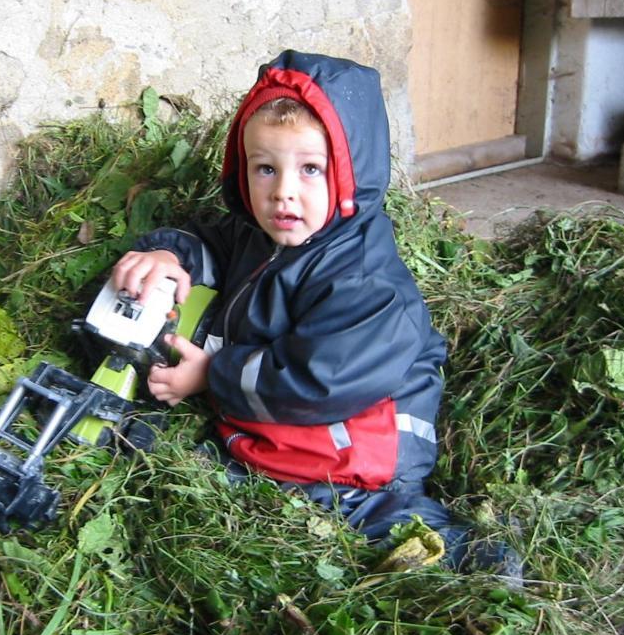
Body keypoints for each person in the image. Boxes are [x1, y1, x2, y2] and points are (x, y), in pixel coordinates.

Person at [111, 50, 518, 576]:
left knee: (358, 508)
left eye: (310, 169)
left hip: (359, 435)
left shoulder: (364, 277)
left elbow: (317, 380)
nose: (283, 191)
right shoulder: (267, 234)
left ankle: (465, 554)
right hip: (286, 410)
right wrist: (168, 254)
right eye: (265, 168)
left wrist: (211, 374)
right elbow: (214, 242)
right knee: (227, 470)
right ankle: (217, 458)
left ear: (351, 173)